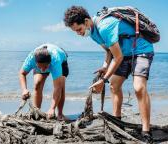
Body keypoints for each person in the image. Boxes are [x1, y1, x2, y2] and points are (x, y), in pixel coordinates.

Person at [64, 6, 154, 142]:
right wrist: (105, 66)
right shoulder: (93, 33)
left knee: (139, 88)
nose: (78, 33)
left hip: (141, 49)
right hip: (124, 53)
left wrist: (103, 80)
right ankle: (118, 124)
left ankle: (146, 130)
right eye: (75, 31)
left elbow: (118, 58)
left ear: (87, 21)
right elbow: (109, 51)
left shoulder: (104, 26)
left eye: (79, 29)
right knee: (114, 85)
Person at [19, 43, 69, 120]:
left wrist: (52, 108)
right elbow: (22, 73)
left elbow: (57, 88)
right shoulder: (31, 59)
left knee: (61, 86)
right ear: (35, 63)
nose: (43, 70)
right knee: (37, 84)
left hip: (62, 61)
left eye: (45, 67)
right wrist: (24, 90)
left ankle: (60, 114)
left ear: (49, 63)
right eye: (39, 67)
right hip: (42, 61)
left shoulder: (55, 61)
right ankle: (37, 113)